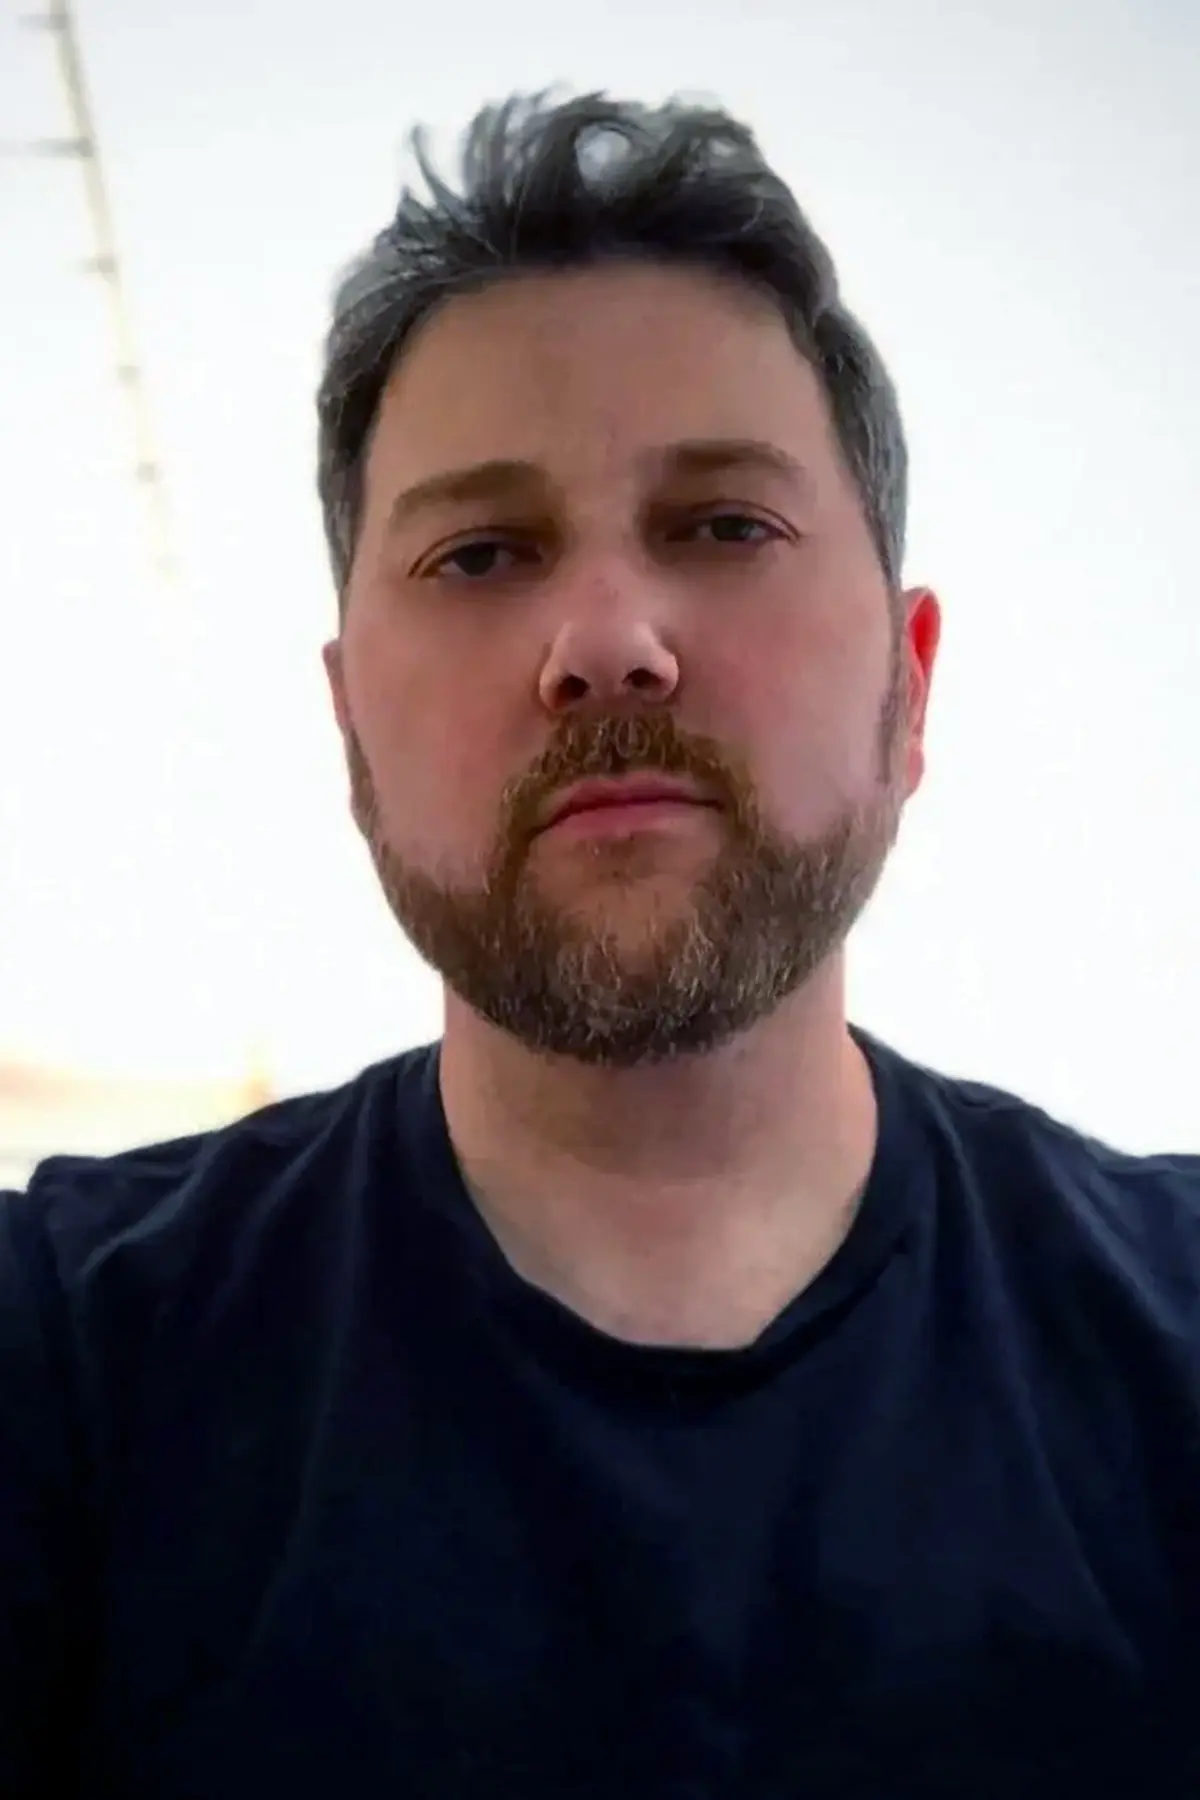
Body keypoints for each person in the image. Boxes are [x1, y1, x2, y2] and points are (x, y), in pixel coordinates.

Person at [1, 89, 1197, 1800]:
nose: (609, 641)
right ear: (348, 729)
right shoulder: (66, 1371)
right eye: (481, 552)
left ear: (911, 684)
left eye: (725, 526)